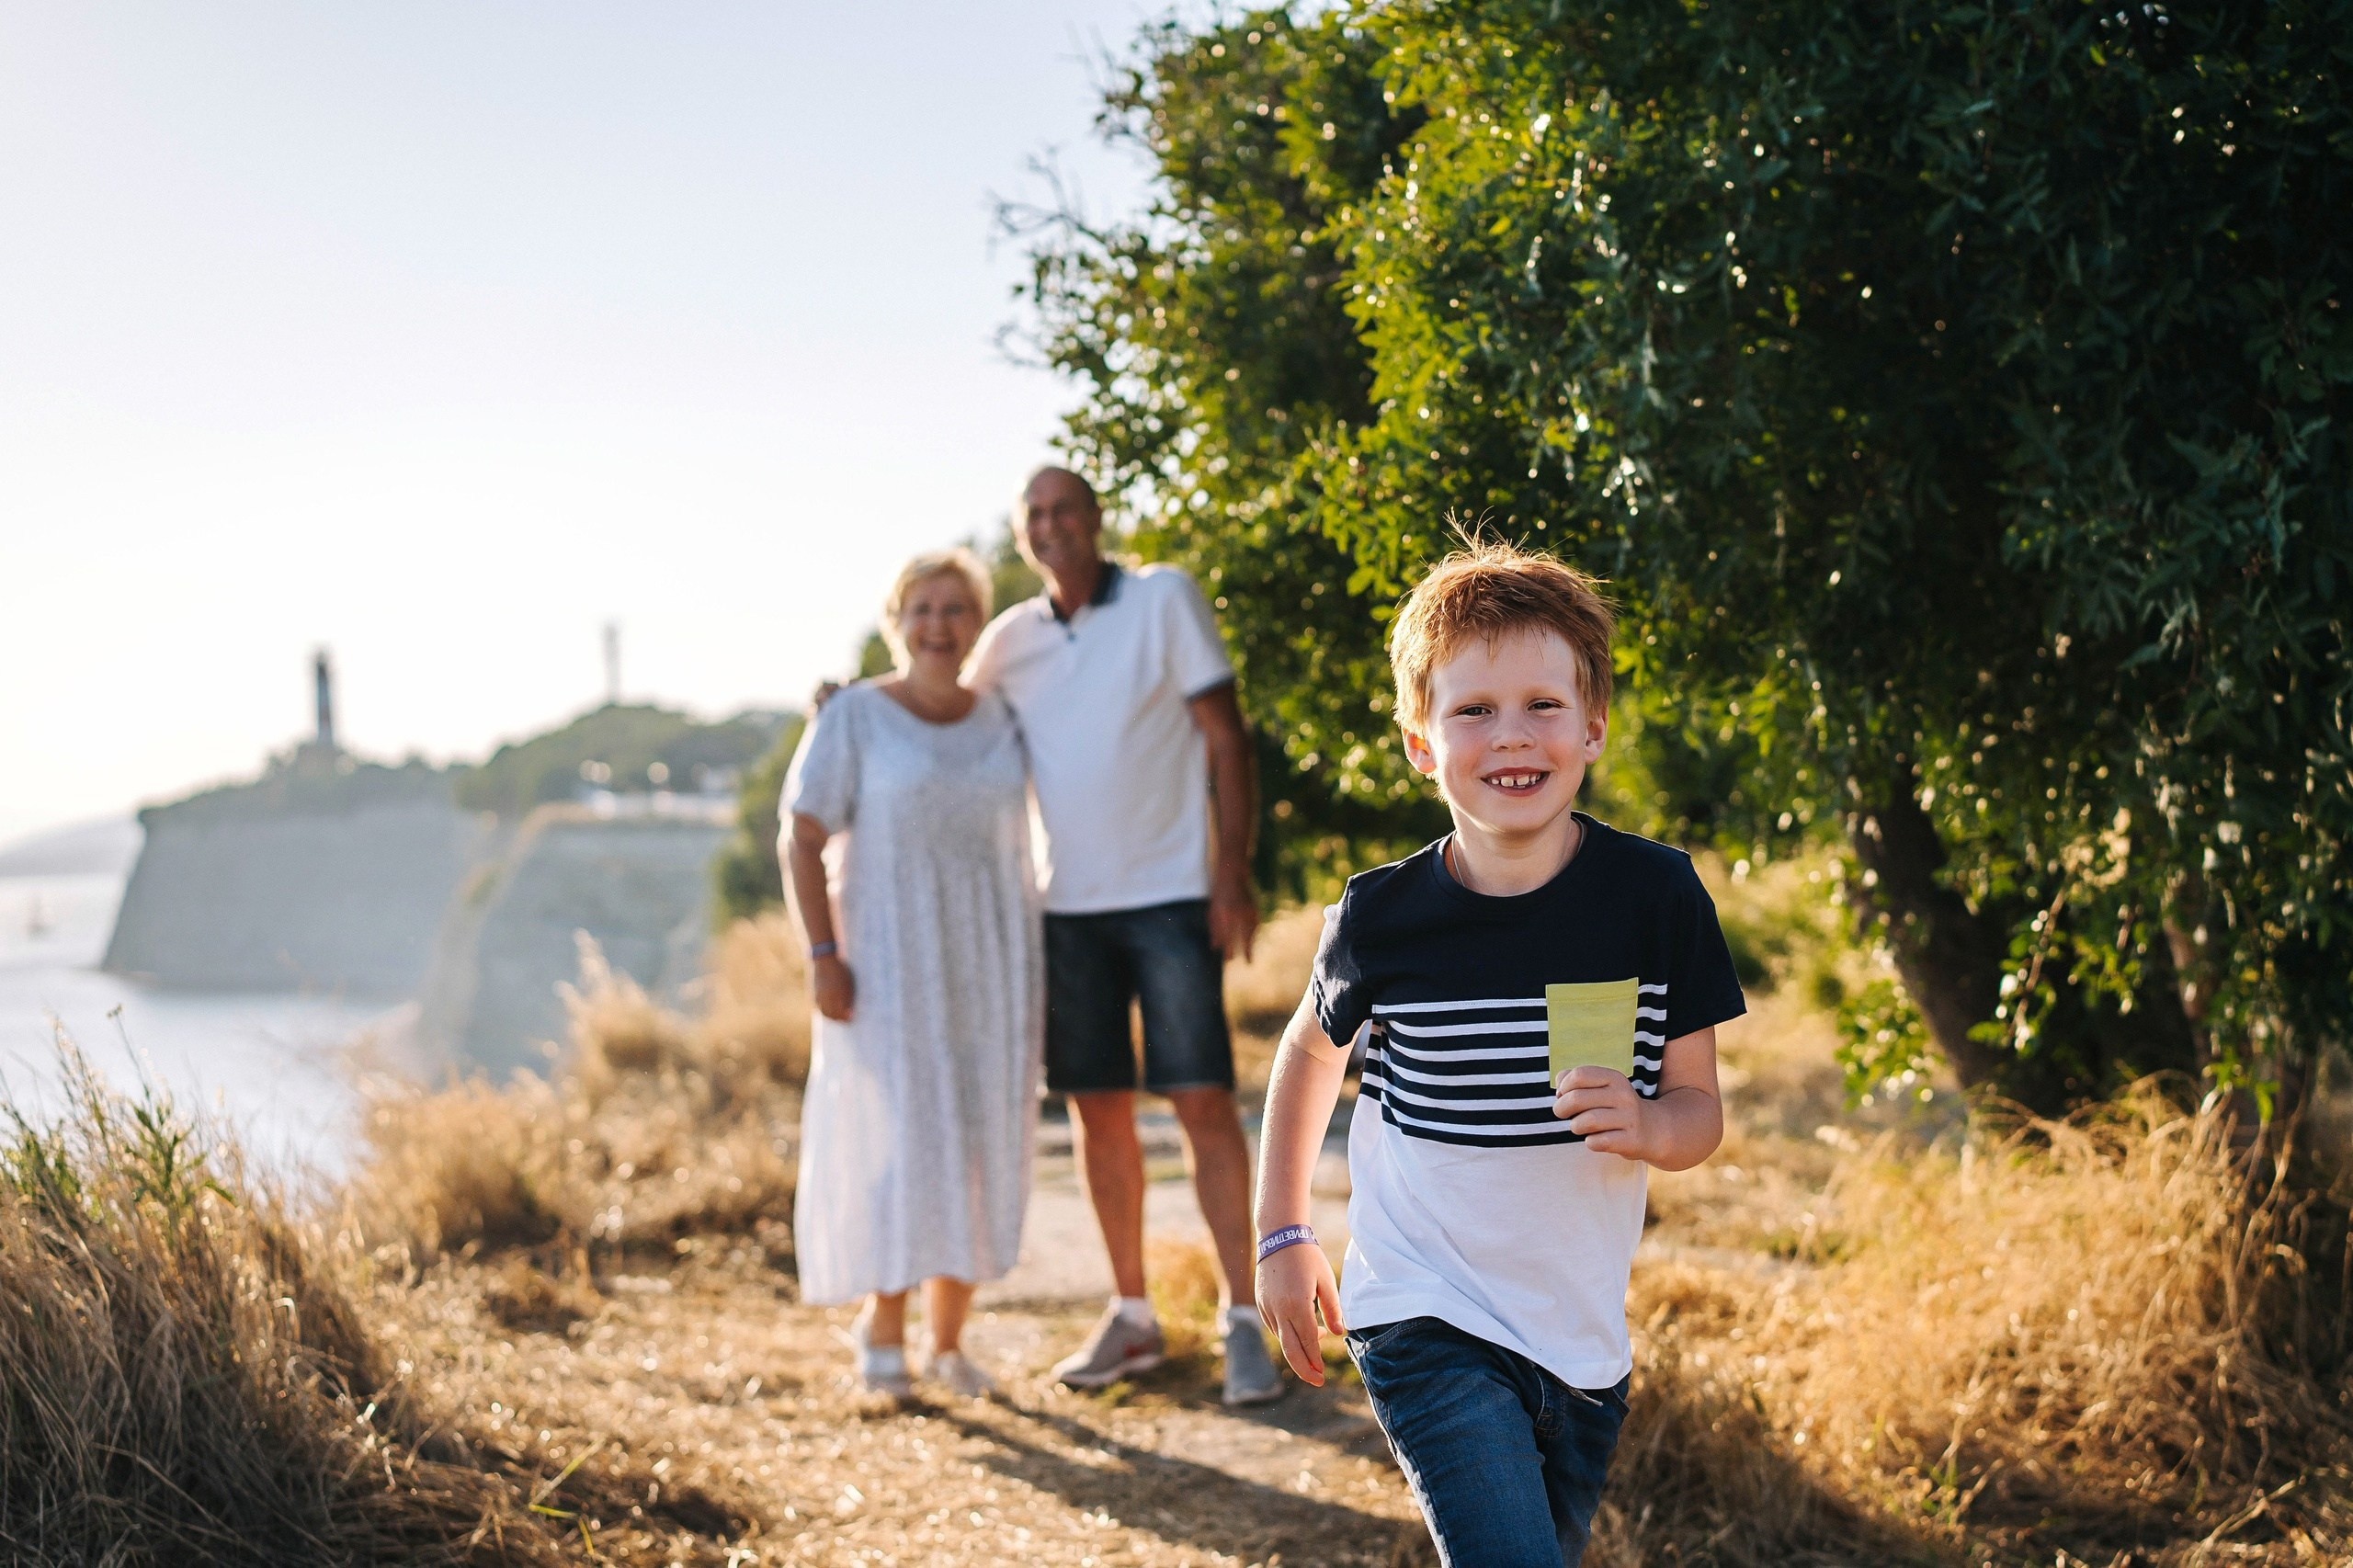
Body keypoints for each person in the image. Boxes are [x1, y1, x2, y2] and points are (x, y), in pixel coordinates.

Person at [1251, 538, 1746, 1564]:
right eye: (1472, 709)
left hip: (1578, 1344)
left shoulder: (1654, 899)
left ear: (1592, 728)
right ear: (1420, 744)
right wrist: (1281, 1232)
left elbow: (1699, 1107)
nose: (1509, 734)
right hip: (1421, 1308)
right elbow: (1307, 1056)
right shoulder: (1382, 915)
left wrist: (1654, 1123)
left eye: (1541, 704)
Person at [962, 466, 1284, 1406]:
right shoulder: (1011, 638)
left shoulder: (1161, 598)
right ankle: (1133, 1314)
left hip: (1174, 897)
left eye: (1065, 509)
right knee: (1096, 1109)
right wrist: (848, 706)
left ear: (1097, 519)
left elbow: (1227, 739)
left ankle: (1241, 1318)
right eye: (1034, 515)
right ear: (1022, 535)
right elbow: (944, 701)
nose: (1051, 526)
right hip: (1067, 913)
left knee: (1201, 1103)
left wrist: (1232, 873)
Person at [782, 549, 1041, 1400]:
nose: (940, 625)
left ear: (979, 623)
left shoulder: (1005, 715)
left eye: (957, 609)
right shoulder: (855, 716)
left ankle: (951, 1342)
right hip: (885, 963)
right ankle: (882, 1325)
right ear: (895, 623)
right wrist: (823, 956)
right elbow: (801, 836)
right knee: (895, 1143)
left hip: (992, 959)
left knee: (976, 1135)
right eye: (922, 609)